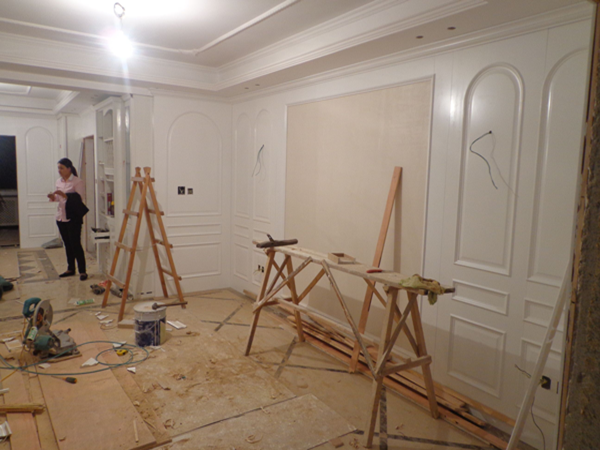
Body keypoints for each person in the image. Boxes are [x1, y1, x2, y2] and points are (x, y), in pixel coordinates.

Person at [47, 158, 88, 280]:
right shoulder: (58, 181)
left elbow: (79, 199)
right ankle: (70, 268)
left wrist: (65, 195)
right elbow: (58, 198)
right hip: (61, 216)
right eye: (58, 168)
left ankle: (82, 271)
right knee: (67, 244)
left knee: (75, 244)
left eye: (62, 168)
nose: (59, 170)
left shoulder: (77, 182)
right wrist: (53, 197)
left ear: (69, 169)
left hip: (73, 217)